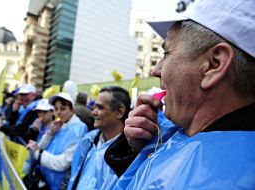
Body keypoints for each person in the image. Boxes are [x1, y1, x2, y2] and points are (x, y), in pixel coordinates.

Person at [105, 0, 255, 189]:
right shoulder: (174, 132)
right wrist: (135, 149)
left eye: (166, 52)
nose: (156, 70)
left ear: (213, 65)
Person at [66, 86, 131, 190]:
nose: (93, 112)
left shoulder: (128, 153)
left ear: (119, 111)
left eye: (100, 107)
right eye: (94, 107)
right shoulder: (88, 141)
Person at [27, 92, 88, 190]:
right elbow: (41, 146)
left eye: (63, 109)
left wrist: (38, 153)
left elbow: (63, 163)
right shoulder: (59, 124)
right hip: (46, 180)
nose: (58, 113)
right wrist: (49, 133)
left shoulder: (79, 129)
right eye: (56, 109)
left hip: (59, 185)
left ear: (72, 110)